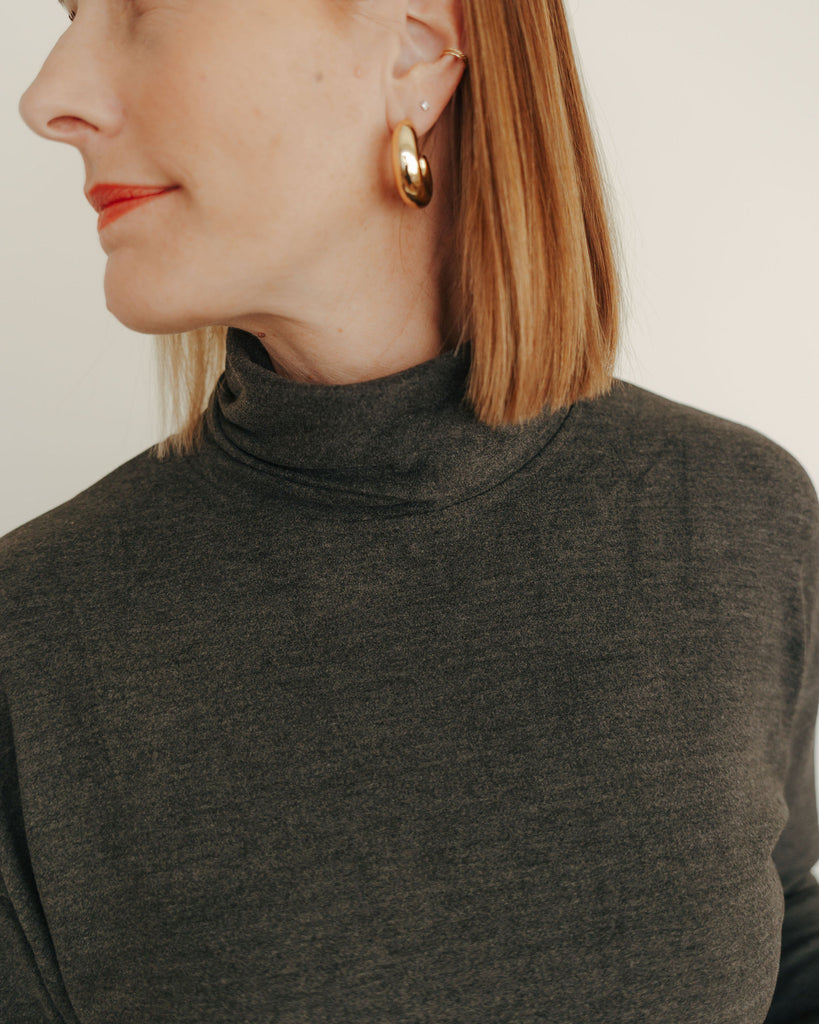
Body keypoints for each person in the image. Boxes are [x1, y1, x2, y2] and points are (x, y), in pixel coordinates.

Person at [3, 0, 817, 1021]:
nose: (48, 98)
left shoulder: (736, 518)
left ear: (418, 42)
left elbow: (777, 940)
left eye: (140, 7)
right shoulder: (31, 643)